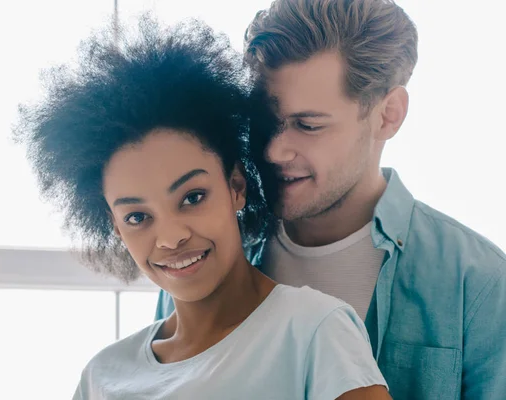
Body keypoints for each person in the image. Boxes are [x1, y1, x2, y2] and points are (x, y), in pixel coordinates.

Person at [15, 16, 391, 400]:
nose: (172, 236)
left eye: (192, 198)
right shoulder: (102, 375)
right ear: (115, 227)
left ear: (236, 187)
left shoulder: (314, 331)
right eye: (137, 217)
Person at [155, 1, 506, 399]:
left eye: (308, 125)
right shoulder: (200, 257)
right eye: (265, 121)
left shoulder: (478, 283)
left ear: (388, 115)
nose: (273, 151)